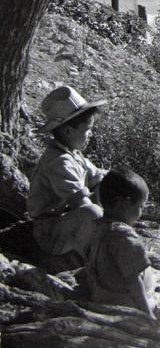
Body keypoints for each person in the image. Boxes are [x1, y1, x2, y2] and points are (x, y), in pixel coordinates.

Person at [86, 166, 160, 331]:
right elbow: (133, 280)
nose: (141, 213)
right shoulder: (124, 237)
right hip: (130, 302)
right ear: (125, 203)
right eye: (141, 207)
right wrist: (147, 315)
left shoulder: (97, 227)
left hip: (105, 295)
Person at [27, 85, 107, 259]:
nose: (91, 134)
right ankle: (95, 254)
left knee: (107, 185)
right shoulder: (58, 162)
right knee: (92, 213)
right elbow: (80, 202)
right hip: (50, 232)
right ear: (69, 131)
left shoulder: (73, 155)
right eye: (87, 130)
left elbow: (97, 176)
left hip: (66, 222)